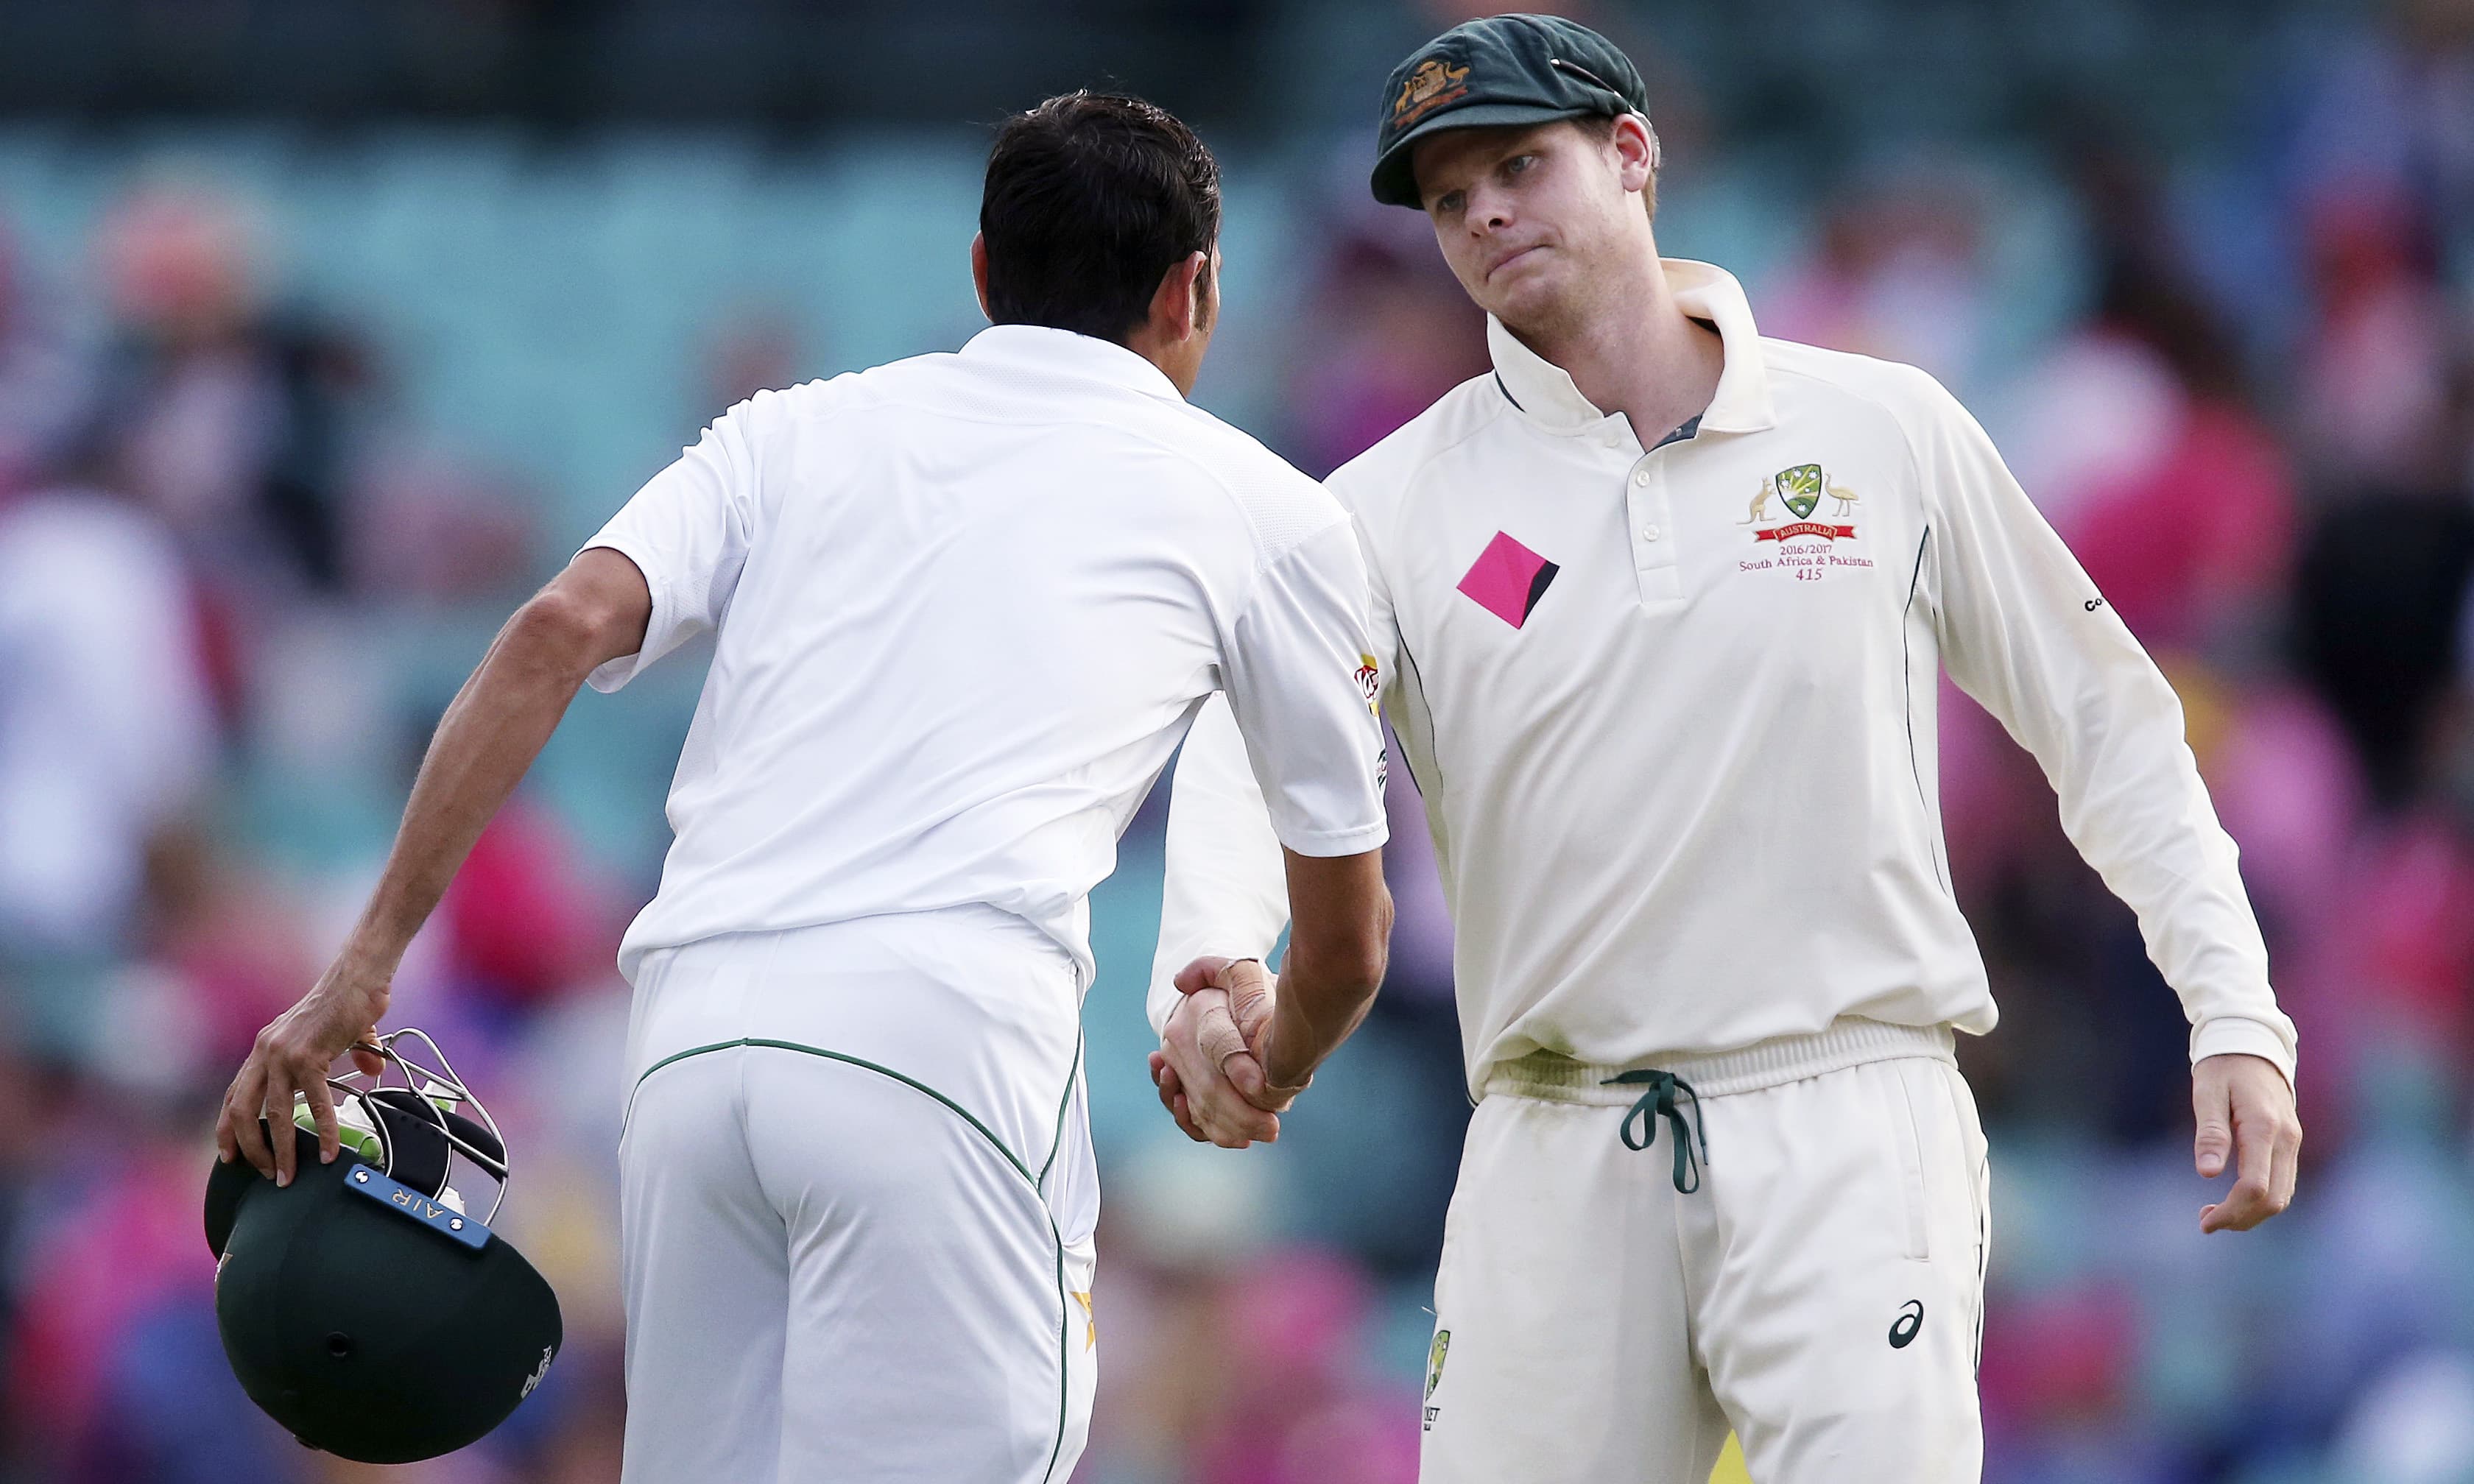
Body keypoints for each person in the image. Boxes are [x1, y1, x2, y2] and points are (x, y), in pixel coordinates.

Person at [1146, 15, 2302, 1484]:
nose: (1486, 214)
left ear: (1634, 156)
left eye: (1521, 163)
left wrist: (2236, 1010)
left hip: (1850, 1117)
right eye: (1448, 198)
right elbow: (1255, 762)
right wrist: (1208, 966)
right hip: (1553, 1143)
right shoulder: (1384, 508)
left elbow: (2111, 729)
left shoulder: (1881, 429)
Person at [216, 91, 1396, 1484]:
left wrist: (359, 970)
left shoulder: (789, 433)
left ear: (980, 272)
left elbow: (549, 631)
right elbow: (1346, 937)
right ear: (1194, 287)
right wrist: (1274, 1062)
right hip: (942, 1044)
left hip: (694, 1049)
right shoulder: (1269, 507)